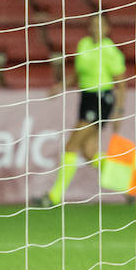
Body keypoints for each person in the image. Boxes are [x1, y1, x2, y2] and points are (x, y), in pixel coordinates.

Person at [33, 14, 126, 208]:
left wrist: (119, 111)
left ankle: (54, 196)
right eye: (93, 24)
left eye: (100, 25)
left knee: (71, 146)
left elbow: (121, 84)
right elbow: (77, 74)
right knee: (89, 152)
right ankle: (127, 183)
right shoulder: (83, 45)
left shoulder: (110, 51)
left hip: (102, 99)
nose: (96, 28)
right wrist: (61, 86)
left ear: (108, 29)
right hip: (85, 98)